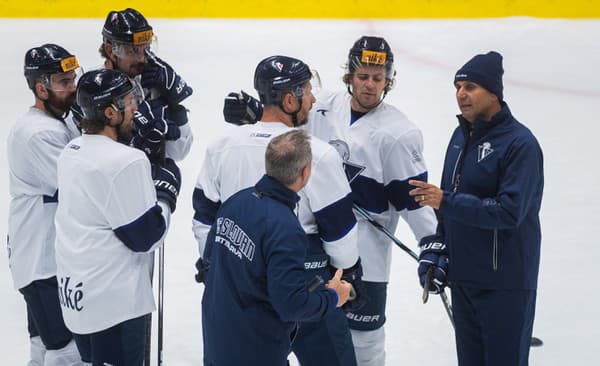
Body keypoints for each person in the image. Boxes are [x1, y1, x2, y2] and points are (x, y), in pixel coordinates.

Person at [223, 36, 438, 366]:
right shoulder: (321, 105)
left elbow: (416, 199)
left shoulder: (399, 133)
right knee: (313, 337)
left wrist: (432, 244)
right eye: (363, 76)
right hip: (314, 250)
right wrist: (256, 111)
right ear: (349, 74)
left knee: (363, 347)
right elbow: (285, 117)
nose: (369, 86)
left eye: (378, 79)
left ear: (388, 81)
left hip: (366, 255)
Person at [194, 55, 363, 366]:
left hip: (237, 285)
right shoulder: (317, 153)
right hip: (307, 283)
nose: (313, 100)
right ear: (289, 99)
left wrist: (214, 262)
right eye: (308, 91)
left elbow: (205, 218)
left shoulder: (221, 146)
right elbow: (341, 236)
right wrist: (347, 274)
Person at [408, 51, 544, 366]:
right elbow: (446, 203)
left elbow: (509, 212)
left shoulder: (520, 145)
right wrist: (439, 249)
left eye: (470, 87)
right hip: (465, 279)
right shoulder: (460, 136)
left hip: (504, 283)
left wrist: (446, 201)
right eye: (457, 86)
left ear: (493, 93)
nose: (461, 94)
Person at [54, 69, 181, 365]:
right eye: (128, 101)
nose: (136, 107)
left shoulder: (71, 151)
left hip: (78, 297)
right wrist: (165, 194)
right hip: (115, 304)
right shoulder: (126, 161)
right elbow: (145, 237)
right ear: (110, 113)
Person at [202, 129, 353, 365]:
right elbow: (292, 306)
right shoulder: (285, 227)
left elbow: (209, 259)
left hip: (218, 337)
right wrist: (333, 296)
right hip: (255, 350)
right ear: (305, 172)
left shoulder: (237, 200)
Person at [7, 44, 83, 366]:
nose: (73, 88)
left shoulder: (56, 121)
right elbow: (78, 187)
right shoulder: (37, 134)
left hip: (39, 257)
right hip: (43, 261)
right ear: (41, 88)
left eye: (72, 79)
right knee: (66, 353)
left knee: (42, 347)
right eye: (64, 82)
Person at [95, 7, 193, 163]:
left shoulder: (154, 82)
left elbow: (178, 153)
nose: (142, 59)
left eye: (146, 48)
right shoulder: (94, 90)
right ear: (111, 51)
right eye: (133, 51)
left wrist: (176, 108)